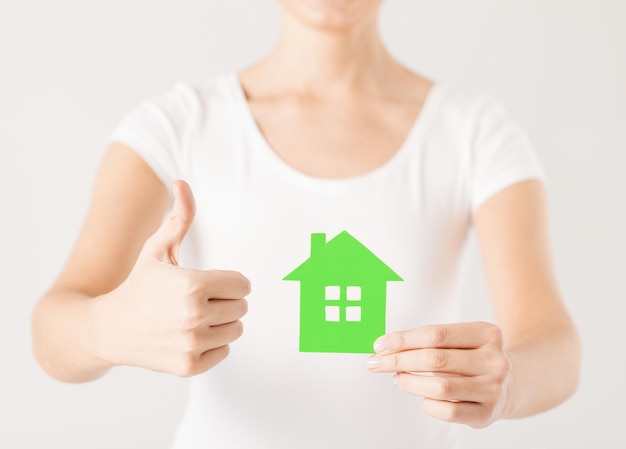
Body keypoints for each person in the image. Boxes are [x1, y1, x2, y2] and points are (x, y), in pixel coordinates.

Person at [31, 0, 581, 447]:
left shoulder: (476, 135)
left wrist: (507, 384)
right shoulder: (175, 126)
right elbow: (53, 333)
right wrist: (109, 328)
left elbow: (554, 344)